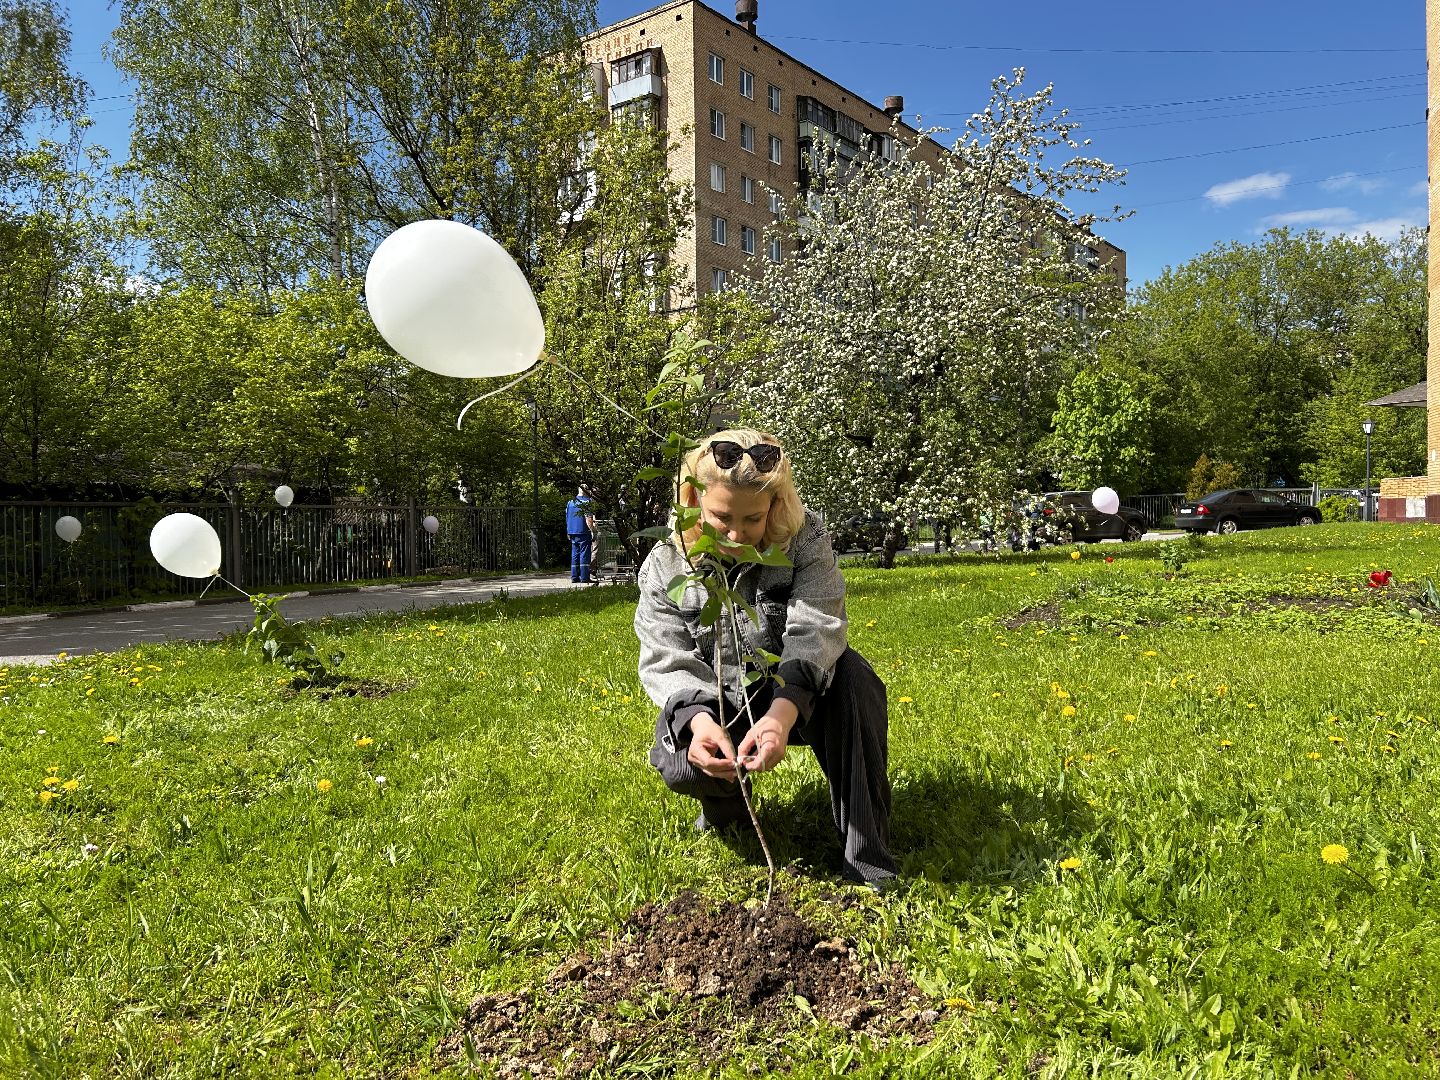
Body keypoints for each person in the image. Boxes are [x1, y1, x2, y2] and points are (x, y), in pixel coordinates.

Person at [633, 429, 898, 890]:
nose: (736, 535)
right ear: (693, 499)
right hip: (722, 697)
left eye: (752, 519)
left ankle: (867, 854)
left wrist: (782, 711)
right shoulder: (667, 563)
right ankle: (728, 807)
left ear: (775, 506)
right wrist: (698, 723)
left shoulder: (806, 537)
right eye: (721, 517)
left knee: (853, 678)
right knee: (678, 747)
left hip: (796, 693)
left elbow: (818, 625)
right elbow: (665, 653)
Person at [565, 485, 596, 584]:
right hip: (583, 531)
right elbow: (588, 519)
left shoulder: (570, 502)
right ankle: (584, 577)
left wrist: (568, 531)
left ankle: (574, 577)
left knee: (575, 554)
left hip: (572, 531)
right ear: (585, 491)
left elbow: (567, 518)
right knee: (584, 555)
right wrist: (593, 531)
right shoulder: (587, 502)